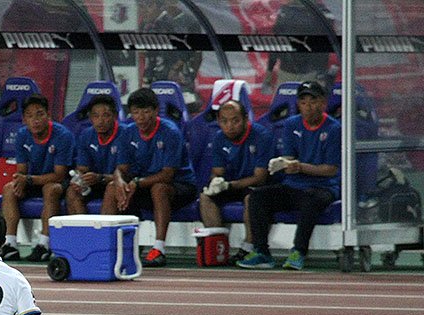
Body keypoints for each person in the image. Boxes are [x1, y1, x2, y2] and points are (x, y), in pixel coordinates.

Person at [238, 81, 340, 271]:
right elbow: (289, 158)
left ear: (323, 103)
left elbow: (331, 169)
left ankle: (298, 252)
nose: (308, 107)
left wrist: (300, 167)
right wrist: (282, 164)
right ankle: (261, 252)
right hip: (293, 185)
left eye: (313, 101)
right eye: (303, 102)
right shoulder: (291, 124)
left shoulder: (334, 128)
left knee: (311, 200)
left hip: (324, 187)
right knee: (256, 197)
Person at [102, 87, 198, 267]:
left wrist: (136, 184)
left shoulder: (170, 132)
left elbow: (168, 175)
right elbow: (121, 169)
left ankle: (158, 249)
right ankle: (105, 247)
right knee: (112, 187)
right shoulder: (128, 132)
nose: (141, 117)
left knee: (159, 188)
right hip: (143, 184)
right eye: (136, 112)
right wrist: (120, 181)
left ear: (155, 111)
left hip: (180, 186)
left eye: (146, 112)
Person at [0, 94, 75, 263]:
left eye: (40, 114)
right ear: (24, 119)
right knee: (9, 189)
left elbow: (60, 174)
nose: (35, 120)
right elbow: (21, 170)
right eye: (30, 115)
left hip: (59, 183)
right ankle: (10, 244)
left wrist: (28, 180)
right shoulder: (22, 135)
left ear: (48, 115)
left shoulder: (63, 136)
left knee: (50, 189)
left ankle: (44, 245)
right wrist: (20, 181)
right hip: (33, 180)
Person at [198, 100, 273, 264]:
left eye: (235, 120)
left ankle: (247, 248)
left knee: (252, 199)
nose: (229, 126)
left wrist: (228, 185)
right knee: (205, 197)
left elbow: (260, 178)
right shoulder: (219, 138)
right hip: (231, 185)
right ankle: (218, 247)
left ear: (246, 119)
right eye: (224, 121)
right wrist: (215, 182)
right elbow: (217, 171)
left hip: (256, 186)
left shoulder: (262, 136)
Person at [61, 94, 128, 217]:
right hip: (95, 184)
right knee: (72, 192)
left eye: (106, 115)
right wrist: (80, 180)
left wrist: (100, 178)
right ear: (90, 118)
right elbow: (82, 168)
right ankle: (83, 230)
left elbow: (127, 174)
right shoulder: (86, 135)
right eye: (96, 116)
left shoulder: (126, 134)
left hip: (118, 183)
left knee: (112, 188)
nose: (100, 121)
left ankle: (103, 229)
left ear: (115, 116)